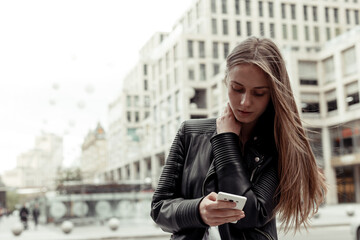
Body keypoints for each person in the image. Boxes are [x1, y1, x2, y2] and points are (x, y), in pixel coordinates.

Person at [150, 37, 327, 239]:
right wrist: (198, 210)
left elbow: (250, 215)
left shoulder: (280, 146)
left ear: (273, 94)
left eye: (259, 93)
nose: (245, 102)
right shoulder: (190, 133)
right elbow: (158, 208)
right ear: (226, 81)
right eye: (237, 88)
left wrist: (226, 141)